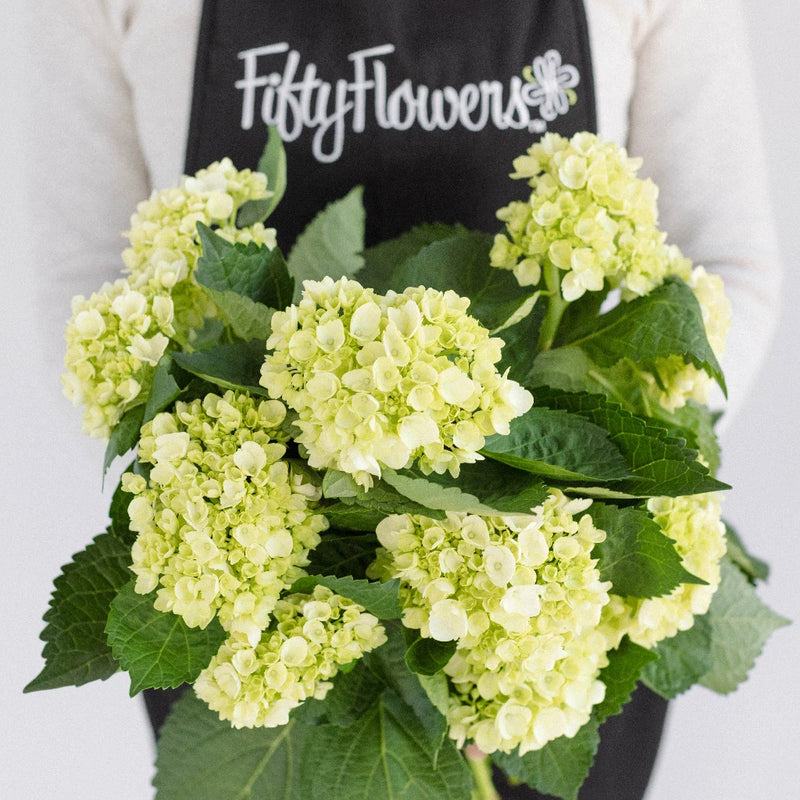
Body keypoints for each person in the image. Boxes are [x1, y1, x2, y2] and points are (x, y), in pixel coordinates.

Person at [26, 1, 781, 798]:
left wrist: (524, 557)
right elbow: (84, 287)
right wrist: (253, 522)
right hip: (272, 627)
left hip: (544, 630)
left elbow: (727, 267)